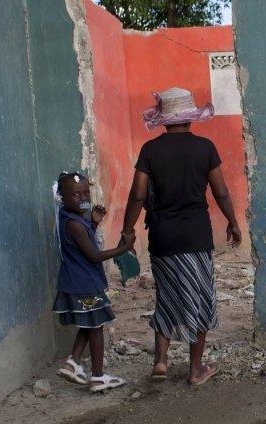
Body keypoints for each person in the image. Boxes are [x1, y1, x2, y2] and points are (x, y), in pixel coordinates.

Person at [122, 87, 242, 386]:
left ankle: (161, 362)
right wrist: (233, 221)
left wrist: (127, 229)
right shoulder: (205, 148)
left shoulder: (150, 150)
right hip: (195, 236)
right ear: (190, 118)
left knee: (166, 297)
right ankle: (196, 368)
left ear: (164, 119)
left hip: (162, 237)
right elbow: (221, 191)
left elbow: (137, 194)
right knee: (200, 298)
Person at [52, 172, 135, 393]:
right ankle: (98, 377)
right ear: (62, 197)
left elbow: (82, 245)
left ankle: (73, 362)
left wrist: (94, 223)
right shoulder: (75, 224)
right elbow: (93, 256)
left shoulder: (71, 218)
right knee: (96, 327)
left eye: (85, 193)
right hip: (84, 284)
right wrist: (124, 249)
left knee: (89, 324)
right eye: (75, 195)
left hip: (77, 282)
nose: (83, 198)